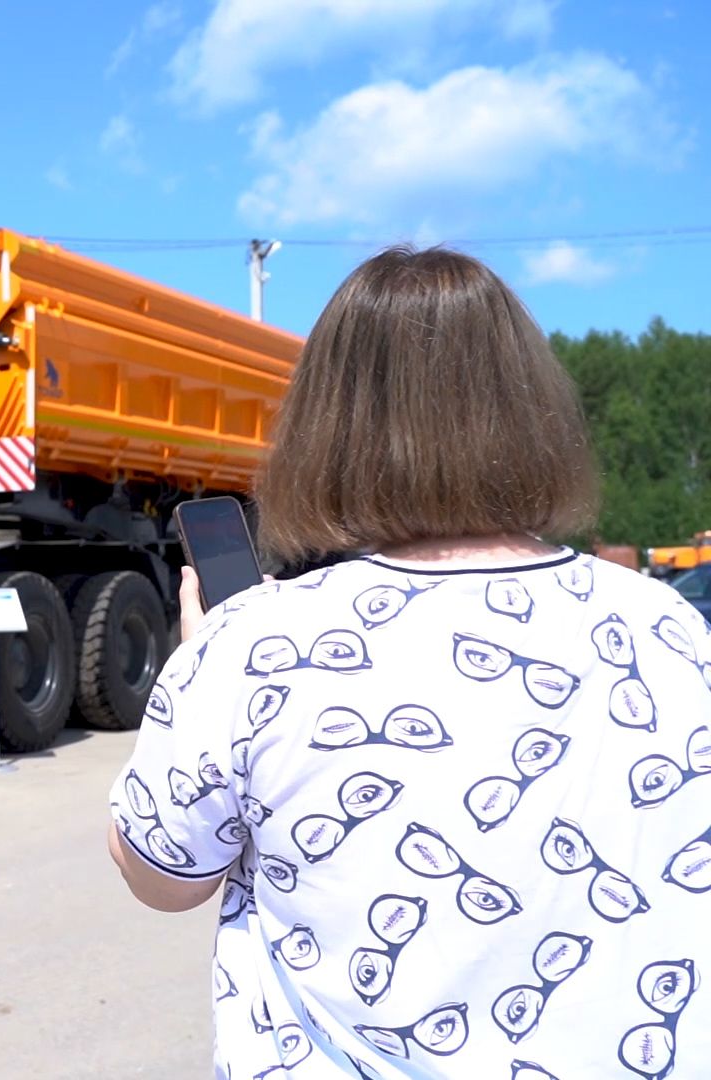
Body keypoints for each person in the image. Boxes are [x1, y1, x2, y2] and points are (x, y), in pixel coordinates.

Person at [106, 246, 711, 1079]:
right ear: (533, 410)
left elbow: (164, 875)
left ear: (328, 425)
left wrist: (200, 666)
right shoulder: (670, 626)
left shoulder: (252, 644)